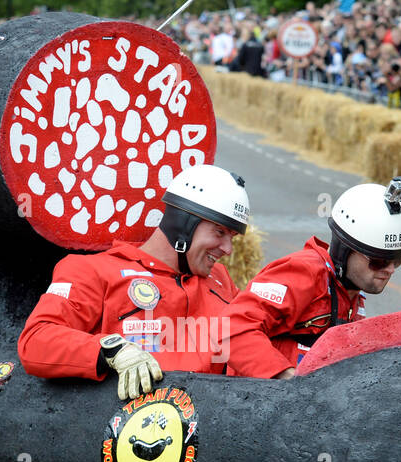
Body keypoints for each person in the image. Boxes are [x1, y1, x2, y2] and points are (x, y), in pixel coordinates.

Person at [18, 165, 248, 399]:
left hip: (214, 420)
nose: (228, 249)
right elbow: (36, 340)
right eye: (219, 232)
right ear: (182, 224)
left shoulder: (221, 280)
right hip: (133, 426)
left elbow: (257, 332)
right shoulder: (93, 270)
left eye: (232, 237)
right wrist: (111, 350)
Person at [221, 178, 401, 380]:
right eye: (379, 261)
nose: (390, 270)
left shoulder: (352, 296)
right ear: (344, 250)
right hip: (258, 402)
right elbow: (230, 328)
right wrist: (289, 379)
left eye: (398, 259)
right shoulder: (304, 273)